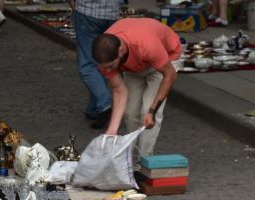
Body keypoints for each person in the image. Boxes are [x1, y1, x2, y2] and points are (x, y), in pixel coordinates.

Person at [93, 18, 181, 165]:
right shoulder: (105, 56)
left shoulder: (146, 45)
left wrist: (152, 111)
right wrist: (112, 130)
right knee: (130, 113)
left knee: (146, 113)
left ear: (120, 51)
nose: (107, 71)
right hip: (135, 64)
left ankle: (144, 162)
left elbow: (169, 75)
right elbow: (119, 91)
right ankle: (129, 160)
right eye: (105, 67)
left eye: (110, 66)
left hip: (165, 58)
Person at [69, 0, 120, 129]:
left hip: (88, 12)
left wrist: (73, 6)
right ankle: (94, 109)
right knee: (102, 61)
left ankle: (105, 104)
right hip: (111, 15)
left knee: (87, 65)